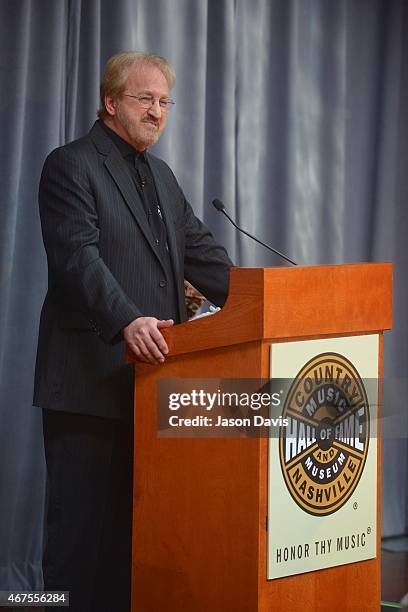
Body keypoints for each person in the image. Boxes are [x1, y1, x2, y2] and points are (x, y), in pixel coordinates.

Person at [34, 51, 232, 612]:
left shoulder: (162, 177)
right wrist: (126, 319)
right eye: (145, 98)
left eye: (164, 101)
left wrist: (266, 298)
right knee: (77, 546)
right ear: (111, 101)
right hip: (88, 386)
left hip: (149, 389)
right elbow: (78, 258)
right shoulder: (70, 164)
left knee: (131, 542)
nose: (157, 111)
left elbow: (203, 256)